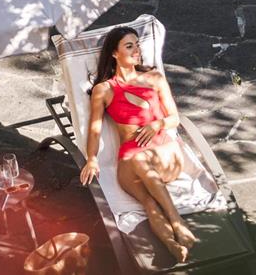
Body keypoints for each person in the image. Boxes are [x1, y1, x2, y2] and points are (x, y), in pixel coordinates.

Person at [79, 27, 197, 262]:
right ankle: (172, 243)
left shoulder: (154, 78)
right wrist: (91, 158)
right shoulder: (104, 90)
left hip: (164, 153)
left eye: (137, 44)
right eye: (129, 46)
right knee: (147, 201)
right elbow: (95, 129)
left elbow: (175, 118)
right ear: (114, 53)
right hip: (130, 158)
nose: (137, 50)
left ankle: (177, 221)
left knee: (141, 161)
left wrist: (157, 124)